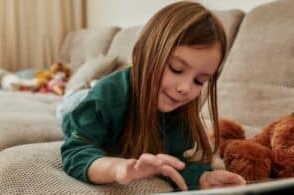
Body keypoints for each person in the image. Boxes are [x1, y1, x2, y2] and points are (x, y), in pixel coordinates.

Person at [60, 1, 246, 191]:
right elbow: (76, 150)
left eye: (199, 80)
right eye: (176, 69)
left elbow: (176, 163)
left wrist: (204, 177)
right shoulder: (107, 95)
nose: (185, 88)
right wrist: (116, 167)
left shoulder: (180, 110)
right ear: (143, 53)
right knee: (70, 101)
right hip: (79, 101)